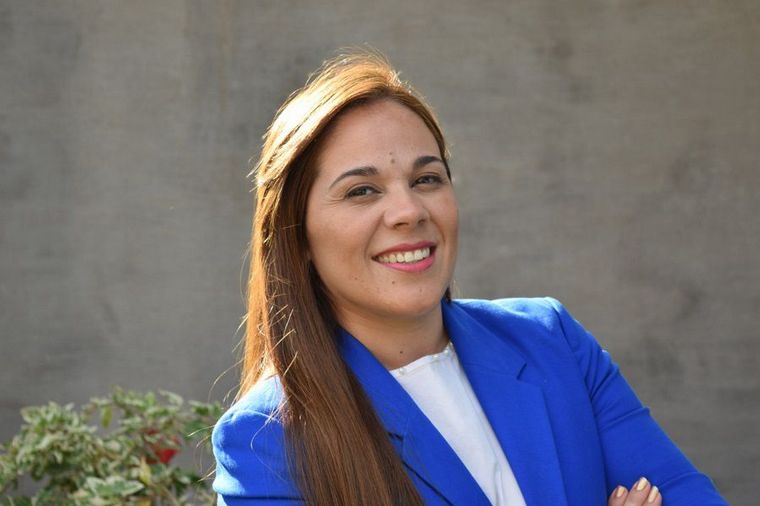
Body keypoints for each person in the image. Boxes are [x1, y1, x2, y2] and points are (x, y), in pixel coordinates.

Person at [211, 50, 727, 506]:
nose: (409, 211)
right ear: (296, 235)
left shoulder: (552, 342)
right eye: (362, 191)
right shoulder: (264, 441)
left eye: (426, 179)